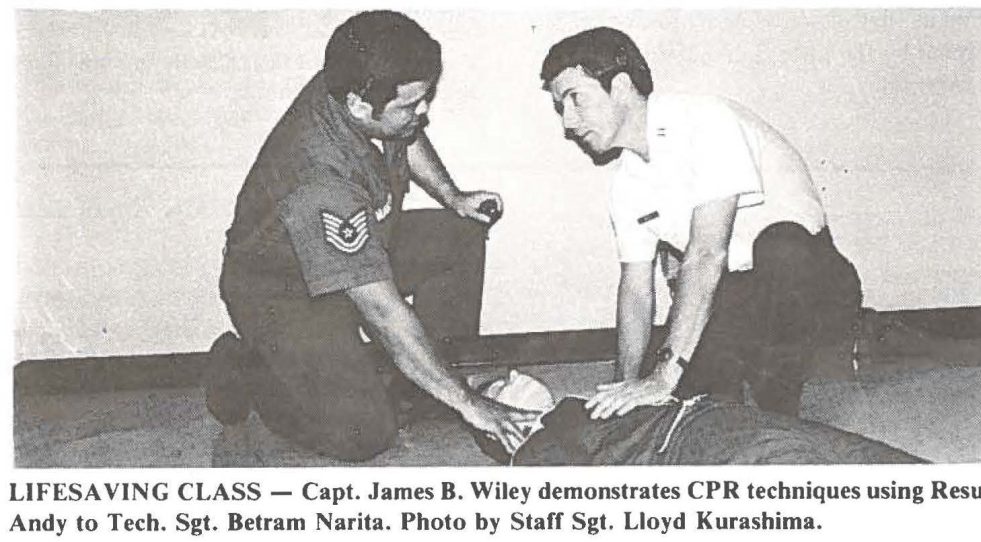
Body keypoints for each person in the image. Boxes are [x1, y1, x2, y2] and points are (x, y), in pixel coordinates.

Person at [204, 10, 535, 461]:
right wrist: (473, 406)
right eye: (412, 104)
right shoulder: (318, 179)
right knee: (363, 434)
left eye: (426, 98)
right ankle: (246, 366)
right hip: (284, 291)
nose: (424, 113)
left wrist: (452, 196)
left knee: (460, 233)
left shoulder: (358, 85)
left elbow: (404, 131)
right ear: (361, 105)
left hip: (364, 238)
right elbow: (382, 310)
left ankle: (428, 381)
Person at [539, 28, 863, 419]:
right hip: (737, 295)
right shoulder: (626, 183)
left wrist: (663, 375)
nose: (568, 123)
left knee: (781, 247)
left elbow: (707, 253)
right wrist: (625, 387)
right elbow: (636, 292)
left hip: (814, 287)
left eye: (575, 99)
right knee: (690, 398)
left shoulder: (705, 119)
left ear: (621, 86)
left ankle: (788, 394)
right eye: (561, 108)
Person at [474, 371, 924, 465]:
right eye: (498, 387)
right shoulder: (535, 449)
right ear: (503, 433)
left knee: (868, 459)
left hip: (715, 413)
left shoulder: (572, 409)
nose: (514, 373)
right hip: (684, 447)